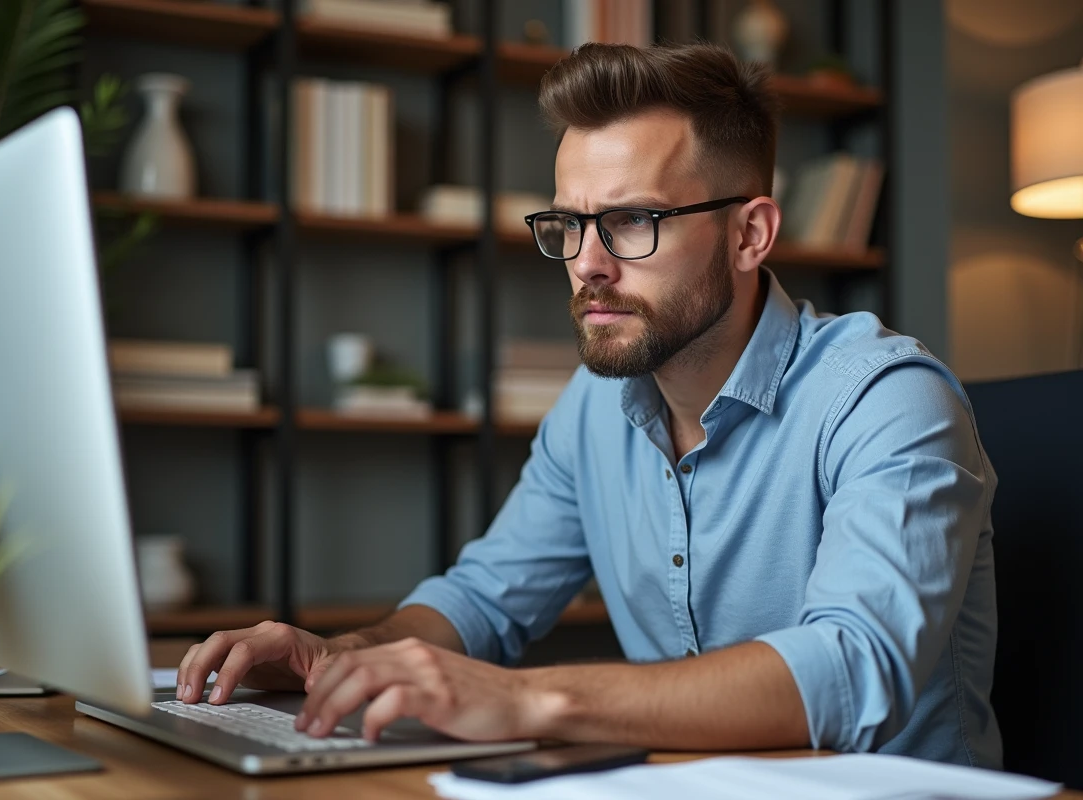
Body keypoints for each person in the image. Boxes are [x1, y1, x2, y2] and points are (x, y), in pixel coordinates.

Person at [176, 42, 1000, 767]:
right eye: (568, 225)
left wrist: (536, 702)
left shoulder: (888, 398)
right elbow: (483, 601)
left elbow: (854, 667)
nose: (587, 265)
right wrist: (339, 656)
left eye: (632, 220)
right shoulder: (594, 407)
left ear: (750, 234)